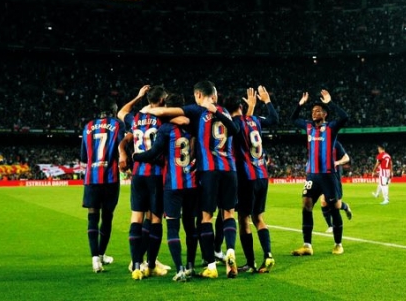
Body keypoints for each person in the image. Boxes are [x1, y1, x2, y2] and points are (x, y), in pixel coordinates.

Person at [141, 80, 240, 279]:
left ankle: (211, 265)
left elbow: (165, 112)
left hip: (208, 170)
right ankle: (230, 250)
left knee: (205, 217)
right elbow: (235, 130)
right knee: (228, 213)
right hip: (230, 169)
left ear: (198, 95)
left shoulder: (197, 110)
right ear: (214, 95)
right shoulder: (225, 112)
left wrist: (148, 110)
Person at [132, 93, 200, 282]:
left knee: (172, 227)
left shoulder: (165, 129)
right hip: (191, 183)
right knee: (190, 226)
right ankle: (191, 266)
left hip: (172, 185)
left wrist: (136, 157)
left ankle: (180, 269)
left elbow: (153, 152)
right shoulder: (192, 126)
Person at [224, 85, 278, 274]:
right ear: (241, 106)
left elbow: (237, 129)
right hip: (262, 175)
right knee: (259, 218)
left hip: (246, 178)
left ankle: (250, 262)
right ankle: (268, 255)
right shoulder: (255, 119)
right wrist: (266, 101)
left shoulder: (233, 124)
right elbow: (274, 119)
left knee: (243, 218)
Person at [118, 84, 169, 280]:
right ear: (162, 100)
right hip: (156, 174)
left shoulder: (136, 118)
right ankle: (151, 264)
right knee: (155, 219)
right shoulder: (163, 117)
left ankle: (136, 265)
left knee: (136, 218)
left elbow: (122, 112)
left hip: (137, 174)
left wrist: (138, 96)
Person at [290, 89, 349, 256]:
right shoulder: (308, 126)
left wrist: (330, 102)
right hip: (312, 175)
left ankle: (338, 244)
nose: (314, 113)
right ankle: (307, 245)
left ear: (325, 114)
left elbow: (344, 117)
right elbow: (293, 119)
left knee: (334, 208)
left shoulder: (331, 127)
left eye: (318, 110)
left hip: (328, 175)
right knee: (306, 205)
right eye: (313, 111)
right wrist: (300, 104)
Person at [80, 95, 127, 273]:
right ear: (114, 110)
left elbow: (84, 156)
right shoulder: (118, 124)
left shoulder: (88, 126)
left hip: (91, 178)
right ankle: (101, 254)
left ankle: (95, 259)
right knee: (107, 217)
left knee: (93, 217)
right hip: (110, 177)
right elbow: (122, 147)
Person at [321, 140, 353, 233]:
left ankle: (346, 206)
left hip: (334, 177)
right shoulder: (319, 143)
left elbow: (346, 158)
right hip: (323, 176)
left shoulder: (335, 143)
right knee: (323, 201)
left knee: (337, 205)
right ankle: (330, 226)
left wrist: (337, 162)